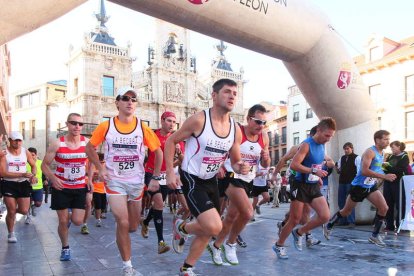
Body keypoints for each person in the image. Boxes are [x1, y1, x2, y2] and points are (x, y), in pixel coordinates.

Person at [165, 79, 250, 276]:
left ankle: (187, 268)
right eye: (227, 92)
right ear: (214, 95)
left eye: (235, 93)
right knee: (214, 225)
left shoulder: (235, 129)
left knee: (207, 228)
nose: (231, 96)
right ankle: (183, 227)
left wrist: (240, 166)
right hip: (192, 178)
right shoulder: (199, 120)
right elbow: (171, 140)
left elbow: (235, 160)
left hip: (212, 180)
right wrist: (170, 171)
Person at [85, 86, 162, 276]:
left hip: (135, 182)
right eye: (125, 98)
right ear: (117, 102)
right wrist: (101, 168)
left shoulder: (142, 128)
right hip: (115, 181)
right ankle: (127, 266)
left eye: (133, 99)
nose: (130, 102)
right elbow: (89, 147)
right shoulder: (106, 126)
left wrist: (155, 177)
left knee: (133, 226)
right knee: (123, 221)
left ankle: (130, 230)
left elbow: (158, 152)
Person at [207, 104, 270, 266]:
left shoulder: (264, 137)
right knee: (248, 213)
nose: (260, 126)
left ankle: (215, 246)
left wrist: (266, 157)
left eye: (264, 123)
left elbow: (265, 163)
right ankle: (231, 244)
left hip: (248, 179)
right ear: (248, 119)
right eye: (257, 121)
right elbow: (221, 148)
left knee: (231, 217)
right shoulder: (237, 131)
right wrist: (220, 165)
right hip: (230, 176)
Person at [273, 118, 336, 259]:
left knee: (325, 216)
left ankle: (300, 232)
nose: (329, 139)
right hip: (299, 185)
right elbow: (294, 165)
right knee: (294, 219)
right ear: (319, 130)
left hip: (312, 185)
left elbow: (316, 165)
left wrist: (317, 176)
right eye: (327, 135)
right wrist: (313, 172)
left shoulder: (322, 146)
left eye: (331, 136)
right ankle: (279, 245)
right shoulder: (306, 145)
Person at [324, 130, 397, 247]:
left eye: (388, 139)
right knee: (346, 211)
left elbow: (376, 168)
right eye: (385, 139)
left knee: (384, 208)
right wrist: (384, 176)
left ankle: (374, 236)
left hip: (370, 186)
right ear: (377, 140)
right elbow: (364, 171)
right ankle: (329, 225)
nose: (388, 141)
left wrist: (384, 174)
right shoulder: (370, 152)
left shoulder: (382, 153)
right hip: (358, 187)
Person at [41, 113, 91, 261]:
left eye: (80, 124)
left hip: (79, 186)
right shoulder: (57, 144)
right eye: (73, 123)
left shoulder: (87, 143)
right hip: (61, 187)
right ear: (67, 124)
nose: (77, 126)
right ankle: (65, 248)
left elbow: (93, 161)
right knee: (63, 221)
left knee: (77, 221)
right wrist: (52, 178)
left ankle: (68, 216)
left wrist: (90, 178)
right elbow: (44, 165)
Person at [141, 111, 184, 254]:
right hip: (152, 173)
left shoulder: (177, 138)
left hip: (167, 175)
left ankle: (146, 222)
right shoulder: (153, 134)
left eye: (174, 122)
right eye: (169, 121)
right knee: (159, 203)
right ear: (162, 120)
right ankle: (161, 242)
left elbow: (181, 160)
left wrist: (178, 153)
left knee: (158, 205)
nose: (172, 124)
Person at [0, 131, 37, 243]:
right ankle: (11, 233)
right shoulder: (4, 154)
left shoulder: (25, 152)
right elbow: (3, 173)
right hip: (8, 183)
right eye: (15, 140)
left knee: (24, 210)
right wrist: (22, 174)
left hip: (23, 183)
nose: (18, 142)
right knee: (11, 210)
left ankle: (11, 214)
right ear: (10, 140)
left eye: (19, 140)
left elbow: (33, 165)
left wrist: (33, 175)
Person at [382, 140, 409, 233]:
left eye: (393, 147)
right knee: (388, 203)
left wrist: (389, 168)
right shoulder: (390, 156)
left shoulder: (404, 157)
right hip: (388, 182)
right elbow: (383, 168)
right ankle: (389, 225)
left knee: (399, 204)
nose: (391, 149)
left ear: (398, 147)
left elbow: (401, 170)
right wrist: (388, 169)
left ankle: (400, 224)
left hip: (398, 183)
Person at [336, 142, 360, 225]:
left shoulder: (357, 158)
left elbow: (359, 170)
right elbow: (338, 169)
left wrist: (356, 182)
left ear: (352, 148)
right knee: (341, 201)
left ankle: (351, 221)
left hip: (351, 182)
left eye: (347, 148)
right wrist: (336, 168)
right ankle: (343, 220)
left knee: (350, 202)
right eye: (345, 149)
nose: (346, 150)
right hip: (342, 182)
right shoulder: (342, 158)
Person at [25, 147, 47, 224]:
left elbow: (44, 173)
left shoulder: (40, 163)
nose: (32, 157)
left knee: (38, 203)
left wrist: (45, 180)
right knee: (28, 202)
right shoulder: (25, 163)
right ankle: (28, 217)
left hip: (39, 187)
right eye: (30, 155)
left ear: (36, 155)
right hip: (27, 186)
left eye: (33, 155)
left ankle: (33, 207)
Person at [89, 152, 107, 227]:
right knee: (98, 205)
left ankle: (99, 213)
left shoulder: (106, 165)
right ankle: (98, 220)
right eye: (101, 160)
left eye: (103, 160)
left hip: (104, 189)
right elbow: (90, 177)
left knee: (103, 205)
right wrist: (95, 177)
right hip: (96, 189)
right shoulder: (93, 165)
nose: (102, 162)